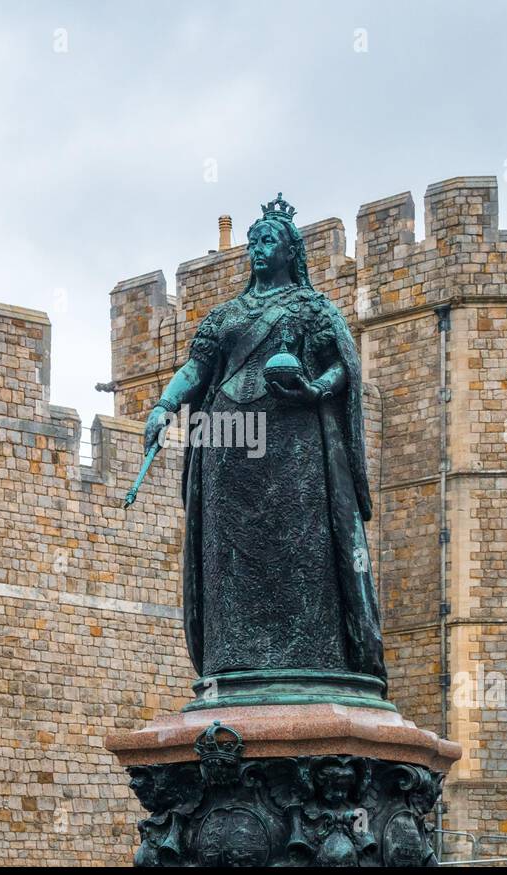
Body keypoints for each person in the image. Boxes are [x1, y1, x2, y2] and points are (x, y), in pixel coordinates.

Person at [143, 194, 384, 683]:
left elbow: (343, 367)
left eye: (269, 239)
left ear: (290, 251)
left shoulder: (311, 309)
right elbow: (197, 368)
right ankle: (233, 658)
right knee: (228, 555)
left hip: (293, 445)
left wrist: (313, 387)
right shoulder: (226, 316)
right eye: (253, 240)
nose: (258, 247)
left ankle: (311, 661)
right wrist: (165, 405)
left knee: (299, 548)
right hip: (225, 444)